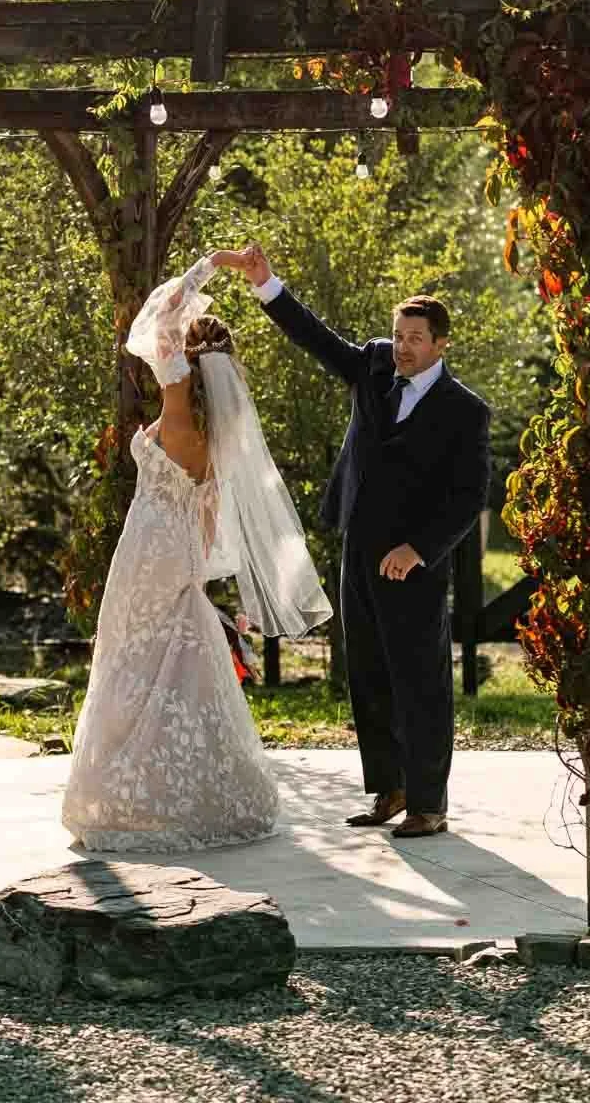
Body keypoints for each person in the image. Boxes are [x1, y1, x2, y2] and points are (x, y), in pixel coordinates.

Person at [61, 252, 332, 853]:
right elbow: (208, 515)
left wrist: (213, 265)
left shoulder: (177, 408)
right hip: (180, 552)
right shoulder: (218, 435)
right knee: (179, 660)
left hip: (147, 551)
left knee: (133, 657)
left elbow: (156, 315)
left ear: (186, 358)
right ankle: (206, 786)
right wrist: (198, 572)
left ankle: (131, 793)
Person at [232, 244, 491, 839]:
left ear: (440, 345)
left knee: (420, 682)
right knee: (369, 675)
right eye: (399, 334)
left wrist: (418, 549)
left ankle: (430, 803)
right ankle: (390, 789)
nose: (403, 346)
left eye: (416, 338)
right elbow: (318, 339)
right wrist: (267, 285)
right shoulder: (373, 366)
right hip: (360, 548)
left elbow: (466, 498)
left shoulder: (464, 412)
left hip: (415, 564)